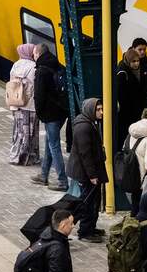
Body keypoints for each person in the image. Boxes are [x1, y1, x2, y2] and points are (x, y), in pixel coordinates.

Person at [66, 98, 107, 242]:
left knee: (93, 200)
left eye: (102, 109)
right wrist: (92, 175)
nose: (102, 112)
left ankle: (90, 227)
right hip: (86, 173)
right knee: (87, 202)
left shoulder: (89, 123)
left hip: (87, 171)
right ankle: (85, 231)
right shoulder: (84, 127)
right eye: (98, 110)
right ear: (90, 110)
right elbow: (85, 154)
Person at [31, 44, 69, 192]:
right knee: (49, 142)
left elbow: (39, 95)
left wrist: (39, 113)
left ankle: (62, 181)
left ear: (38, 54)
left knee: (54, 146)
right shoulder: (58, 65)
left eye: (34, 54)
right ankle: (44, 174)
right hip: (61, 112)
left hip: (50, 113)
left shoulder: (41, 71)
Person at [8, 44, 40, 165]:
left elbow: (11, 83)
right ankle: (29, 157)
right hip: (31, 105)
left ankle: (16, 155)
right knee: (31, 131)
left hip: (18, 103)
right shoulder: (34, 66)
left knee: (19, 131)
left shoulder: (16, 65)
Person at [115, 48, 147, 141]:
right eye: (133, 61)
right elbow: (121, 96)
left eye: (138, 61)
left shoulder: (139, 70)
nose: (136, 63)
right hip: (127, 113)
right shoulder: (122, 73)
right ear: (128, 61)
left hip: (137, 109)